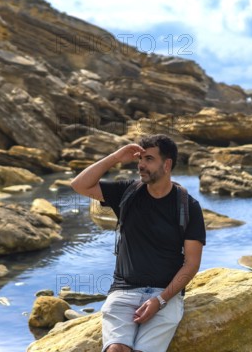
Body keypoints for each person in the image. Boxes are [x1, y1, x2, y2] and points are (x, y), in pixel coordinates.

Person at [71, 134, 206, 352]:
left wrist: (160, 300)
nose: (141, 165)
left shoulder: (188, 206)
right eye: (139, 159)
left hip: (165, 294)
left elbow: (191, 264)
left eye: (149, 159)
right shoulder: (127, 192)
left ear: (167, 164)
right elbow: (79, 185)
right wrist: (115, 157)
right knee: (116, 349)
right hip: (124, 291)